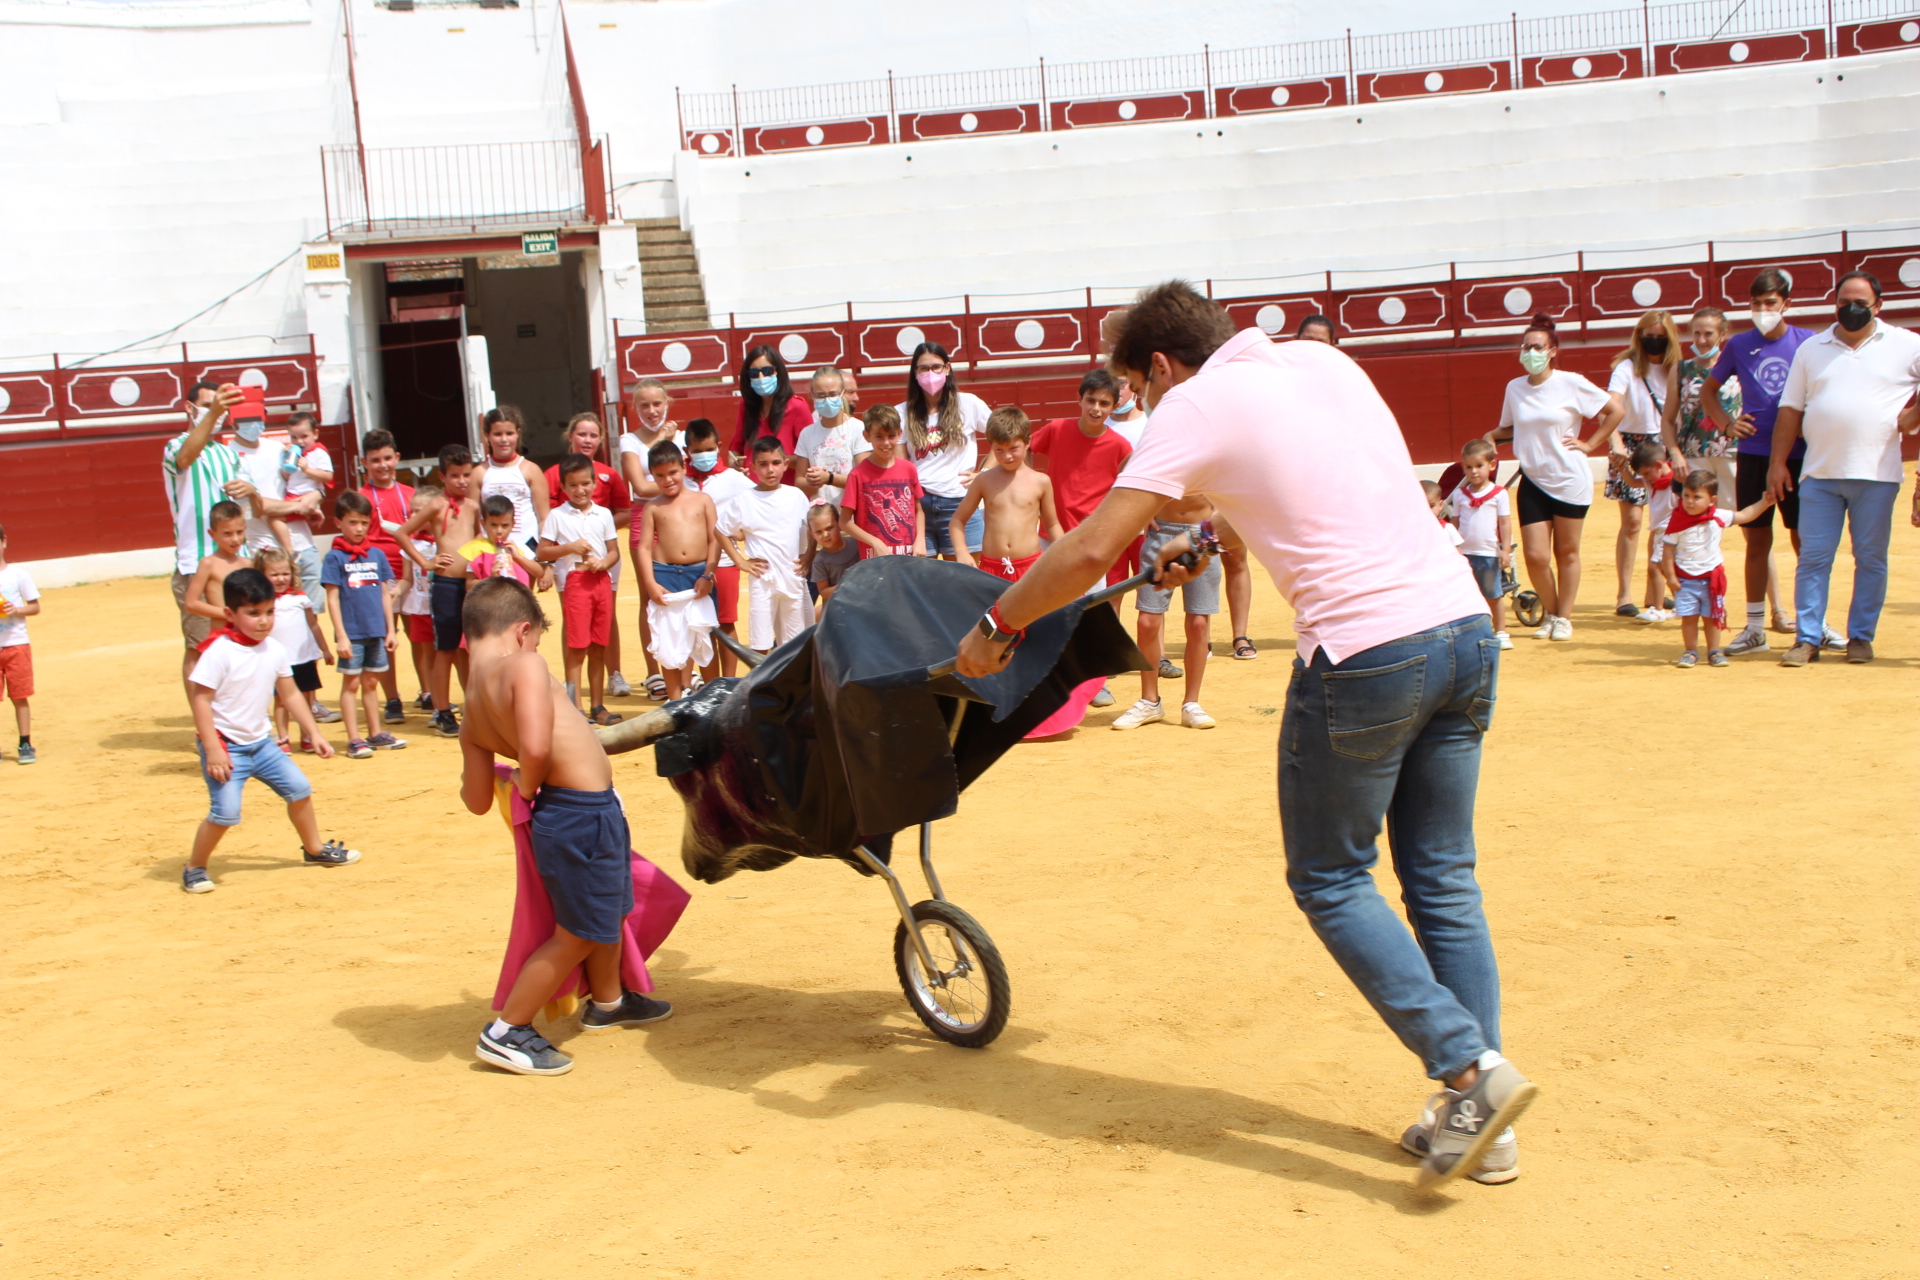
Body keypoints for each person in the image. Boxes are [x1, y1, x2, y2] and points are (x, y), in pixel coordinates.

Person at [955, 282, 1533, 1191]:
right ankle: (1483, 1122)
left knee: (1332, 879)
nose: (1144, 406)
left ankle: (1469, 1070)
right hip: (1460, 627)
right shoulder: (1319, 361)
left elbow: (1091, 549)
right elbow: (1309, 479)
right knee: (1442, 878)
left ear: (1159, 366)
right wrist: (1213, 525)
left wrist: (999, 624)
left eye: (1138, 390)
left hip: (1365, 652)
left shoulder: (1194, 402)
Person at [459, 576, 671, 1076]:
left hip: (577, 814)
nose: (535, 650)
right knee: (577, 931)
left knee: (607, 911)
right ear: (522, 630)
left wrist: (515, 780)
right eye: (535, 641)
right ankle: (507, 1030)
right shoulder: (524, 665)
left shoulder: (471, 706)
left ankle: (609, 1001)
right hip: (580, 814)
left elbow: (475, 800)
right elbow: (535, 747)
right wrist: (528, 783)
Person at [1770, 270, 1920, 667]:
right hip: (1819, 473)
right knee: (1813, 559)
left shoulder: (1906, 344)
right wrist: (1777, 463)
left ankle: (1861, 637)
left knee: (1870, 559)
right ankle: (1807, 638)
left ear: (1878, 306)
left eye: (1860, 303)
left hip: (1877, 473)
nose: (1850, 309)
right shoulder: (1812, 348)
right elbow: (1790, 409)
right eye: (1843, 302)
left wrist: (1913, 416)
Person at [182, 567, 359, 894]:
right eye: (253, 613)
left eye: (269, 612)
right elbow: (200, 701)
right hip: (226, 746)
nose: (263, 621)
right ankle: (195, 866)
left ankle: (314, 848)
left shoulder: (274, 649)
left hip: (261, 744)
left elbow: (290, 694)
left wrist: (314, 733)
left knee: (300, 789)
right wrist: (214, 749)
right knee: (226, 813)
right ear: (229, 614)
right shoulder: (219, 651)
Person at [1704, 268, 1841, 657]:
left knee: (1805, 541)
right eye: (1756, 303)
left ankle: (1814, 624)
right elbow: (1710, 391)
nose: (1763, 310)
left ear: (1786, 304)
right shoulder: (1738, 345)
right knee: (1757, 540)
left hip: (1800, 455)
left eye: (1770, 303)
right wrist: (1727, 423)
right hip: (1754, 454)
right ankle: (1754, 628)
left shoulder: (1808, 342)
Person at [1480, 313, 1625, 642]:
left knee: (1567, 552)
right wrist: (1491, 436)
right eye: (1526, 346)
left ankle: (1564, 617)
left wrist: (1590, 444)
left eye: (1537, 347)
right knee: (1536, 556)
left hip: (1569, 479)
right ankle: (1553, 612)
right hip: (1533, 478)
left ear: (1552, 351)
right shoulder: (1515, 388)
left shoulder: (1571, 382)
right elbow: (1512, 428)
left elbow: (1615, 411)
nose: (1530, 352)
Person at [1030, 369, 1135, 708]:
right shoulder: (1057, 429)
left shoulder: (1120, 445)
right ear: (1079, 399)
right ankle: (1051, 677)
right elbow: (1023, 449)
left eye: (1104, 403)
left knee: (1093, 612)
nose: (1096, 408)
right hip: (1051, 535)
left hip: (1093, 541)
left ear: (1114, 406)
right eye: (1091, 400)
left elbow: (1130, 485)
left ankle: (1094, 683)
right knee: (1045, 607)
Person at [1111, 488, 1223, 732]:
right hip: (1161, 532)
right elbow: (1128, 473)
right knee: (1147, 621)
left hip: (1203, 533)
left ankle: (1192, 703)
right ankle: (1149, 701)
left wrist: (1219, 515)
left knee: (1199, 623)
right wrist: (1141, 510)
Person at [395, 443, 480, 738]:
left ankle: (473, 707)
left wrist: (481, 565)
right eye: (455, 475)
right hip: (444, 584)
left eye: (466, 474)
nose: (462, 481)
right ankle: (442, 711)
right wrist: (425, 562)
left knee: (467, 649)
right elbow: (402, 533)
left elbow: (480, 537)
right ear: (442, 477)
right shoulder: (436, 505)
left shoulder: (474, 506)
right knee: (444, 649)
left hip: (470, 584)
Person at [546, 413, 633, 698]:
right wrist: (569, 544)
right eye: (581, 434)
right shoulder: (553, 475)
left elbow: (624, 512)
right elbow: (546, 518)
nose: (587, 440)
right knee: (573, 620)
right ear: (570, 436)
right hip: (569, 564)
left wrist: (599, 537)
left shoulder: (609, 475)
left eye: (593, 435)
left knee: (605, 619)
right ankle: (571, 685)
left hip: (603, 559)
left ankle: (613, 675)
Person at [164, 382, 245, 683]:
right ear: (189, 407)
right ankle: (203, 713)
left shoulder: (228, 454)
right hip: (195, 562)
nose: (218, 412)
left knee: (242, 641)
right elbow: (185, 459)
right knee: (199, 647)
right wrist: (214, 414)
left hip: (235, 562)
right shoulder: (175, 446)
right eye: (209, 405)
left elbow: (252, 505)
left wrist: (251, 491)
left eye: (221, 406)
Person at [1605, 311, 1681, 618]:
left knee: (1663, 521)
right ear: (1639, 336)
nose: (1655, 342)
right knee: (1633, 522)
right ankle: (1624, 593)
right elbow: (1610, 406)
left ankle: (1654, 592)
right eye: (1650, 336)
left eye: (1661, 337)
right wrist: (1616, 443)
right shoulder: (1627, 367)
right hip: (1631, 446)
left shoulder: (1676, 367)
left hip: (1665, 443)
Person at [1659, 471, 1776, 668]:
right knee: (1689, 619)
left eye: (1697, 497)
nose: (1690, 501)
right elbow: (1668, 551)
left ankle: (1714, 651)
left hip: (1711, 581)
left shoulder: (1718, 516)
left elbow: (1745, 515)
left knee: (1712, 618)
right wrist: (1670, 576)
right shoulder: (1677, 519)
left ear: (1712, 500)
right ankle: (1691, 651)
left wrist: (1764, 503)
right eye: (1686, 495)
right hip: (1685, 581)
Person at [539, 454, 623, 722]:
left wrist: (604, 563)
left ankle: (597, 706)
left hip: (601, 580)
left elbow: (614, 551)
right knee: (577, 647)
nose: (580, 490)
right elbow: (542, 551)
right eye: (573, 485)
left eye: (585, 483)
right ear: (563, 487)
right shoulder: (557, 515)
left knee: (599, 644)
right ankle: (576, 707)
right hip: (575, 582)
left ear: (595, 483)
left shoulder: (604, 514)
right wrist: (570, 548)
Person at [322, 491, 405, 759]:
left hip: (376, 631)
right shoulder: (335, 558)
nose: (359, 528)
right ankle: (354, 739)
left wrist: (390, 630)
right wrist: (342, 636)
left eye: (364, 523)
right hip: (353, 633)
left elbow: (384, 594)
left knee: (371, 682)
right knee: (352, 684)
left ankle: (375, 733)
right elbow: (332, 598)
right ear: (339, 523)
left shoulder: (377, 555)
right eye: (352, 522)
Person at [637, 441, 721, 700]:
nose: (668, 480)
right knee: (669, 641)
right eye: (659, 475)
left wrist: (708, 574)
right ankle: (675, 705)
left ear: (684, 467)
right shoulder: (652, 507)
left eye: (672, 472)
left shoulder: (703, 500)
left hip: (699, 575)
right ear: (653, 477)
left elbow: (715, 540)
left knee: (705, 637)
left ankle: (713, 700)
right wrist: (650, 584)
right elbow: (644, 548)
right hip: (665, 576)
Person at [719, 436, 816, 654]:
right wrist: (740, 562)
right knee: (760, 642)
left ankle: (789, 677)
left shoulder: (796, 496)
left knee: (794, 642)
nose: (770, 470)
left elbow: (811, 528)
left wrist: (809, 555)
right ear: (753, 467)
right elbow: (721, 530)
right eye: (763, 464)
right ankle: (760, 676)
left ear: (785, 464)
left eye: (775, 463)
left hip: (792, 575)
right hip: (762, 579)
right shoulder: (745, 499)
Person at [899, 342, 991, 559]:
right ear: (915, 373)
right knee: (925, 576)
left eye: (936, 367)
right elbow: (901, 466)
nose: (930, 374)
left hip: (960, 501)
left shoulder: (968, 404)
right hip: (919, 504)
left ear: (947, 368)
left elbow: (1003, 436)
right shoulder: (902, 412)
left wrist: (984, 473)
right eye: (924, 368)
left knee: (965, 575)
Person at [951, 407, 1064, 581]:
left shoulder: (1041, 481)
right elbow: (957, 520)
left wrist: (1065, 552)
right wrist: (962, 552)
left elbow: (1052, 524)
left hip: (1030, 567)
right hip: (991, 568)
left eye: (1013, 448)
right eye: (999, 450)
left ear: (1027, 442)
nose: (1007, 456)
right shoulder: (983, 481)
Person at [679, 418, 754, 678]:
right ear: (686, 451)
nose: (704, 455)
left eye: (709, 449)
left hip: (725, 563)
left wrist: (740, 533)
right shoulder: (681, 482)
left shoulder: (735, 479)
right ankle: (707, 684)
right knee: (698, 625)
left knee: (726, 621)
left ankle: (729, 682)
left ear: (719, 447)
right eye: (697, 451)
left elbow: (758, 502)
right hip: (692, 566)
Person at [356, 428, 416, 724]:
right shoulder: (361, 498)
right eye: (375, 460)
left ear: (397, 458)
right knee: (385, 639)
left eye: (388, 458)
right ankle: (392, 698)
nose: (383, 465)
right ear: (364, 463)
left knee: (420, 637)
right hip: (379, 577)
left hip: (412, 573)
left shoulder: (411, 495)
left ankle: (428, 692)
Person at [1660, 308, 1741, 509]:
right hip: (1693, 454)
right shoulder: (1681, 369)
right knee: (1696, 515)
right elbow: (1668, 419)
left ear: (1723, 334)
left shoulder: (1738, 366)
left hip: (1732, 453)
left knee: (1735, 513)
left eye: (1708, 333)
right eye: (1697, 333)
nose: (1701, 340)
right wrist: (1675, 454)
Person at [255, 547, 332, 754]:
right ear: (262, 575)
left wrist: (325, 649)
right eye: (274, 574)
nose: (281, 578)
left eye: (285, 573)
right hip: (278, 661)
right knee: (281, 700)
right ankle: (283, 738)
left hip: (303, 657)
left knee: (306, 698)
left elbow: (313, 625)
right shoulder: (264, 603)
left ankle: (307, 737)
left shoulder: (301, 598)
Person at [840, 404, 925, 558]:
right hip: (875, 560)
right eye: (879, 436)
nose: (886, 443)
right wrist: (875, 542)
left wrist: (920, 540)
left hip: (909, 557)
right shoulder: (858, 474)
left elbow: (918, 510)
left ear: (900, 434)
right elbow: (844, 522)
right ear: (867, 436)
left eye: (891, 436)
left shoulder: (909, 469)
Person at [1451, 439, 1513, 649]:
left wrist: (1505, 550)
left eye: (1479, 465)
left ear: (1491, 465)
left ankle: (1501, 631)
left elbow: (1505, 523)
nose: (1474, 471)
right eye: (1468, 467)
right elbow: (1455, 523)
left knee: (1493, 594)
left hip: (1488, 552)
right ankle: (1471, 633)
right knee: (1466, 595)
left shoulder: (1500, 493)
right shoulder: (1460, 494)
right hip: (1464, 553)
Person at [180, 501, 253, 677]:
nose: (235, 539)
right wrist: (227, 614)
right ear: (212, 534)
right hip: (221, 636)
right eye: (227, 534)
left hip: (247, 634)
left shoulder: (248, 564)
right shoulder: (208, 564)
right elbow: (191, 603)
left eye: (239, 532)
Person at [277, 411, 333, 613]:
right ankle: (290, 549)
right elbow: (287, 476)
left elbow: (328, 476)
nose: (299, 441)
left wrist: (307, 469)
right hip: (294, 495)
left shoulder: (319, 452)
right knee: (277, 517)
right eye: (294, 437)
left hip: (304, 496)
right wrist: (287, 462)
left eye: (304, 436)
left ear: (315, 434)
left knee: (276, 516)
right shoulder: (295, 452)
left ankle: (289, 551)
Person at [795, 365, 869, 510]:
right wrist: (813, 481)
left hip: (852, 515)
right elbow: (799, 481)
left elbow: (864, 479)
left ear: (842, 393)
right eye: (820, 395)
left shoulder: (858, 429)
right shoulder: (807, 433)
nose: (827, 400)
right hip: (820, 517)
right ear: (812, 396)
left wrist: (829, 478)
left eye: (833, 394)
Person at [478, 405, 549, 554]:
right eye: (498, 434)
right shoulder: (479, 473)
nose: (504, 439)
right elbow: (472, 520)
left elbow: (544, 518)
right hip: (490, 551)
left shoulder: (531, 470)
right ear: (487, 435)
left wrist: (545, 555)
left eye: (509, 433)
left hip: (527, 550)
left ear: (518, 433)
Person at [397, 485, 441, 711]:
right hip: (421, 608)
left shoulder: (447, 541)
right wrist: (394, 592)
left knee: (454, 655)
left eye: (418, 511)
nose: (413, 516)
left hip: (443, 606)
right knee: (428, 657)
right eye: (411, 511)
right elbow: (407, 578)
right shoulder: (411, 545)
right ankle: (435, 702)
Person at [0, 524, 41, 765]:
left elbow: (35, 607)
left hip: (16, 644)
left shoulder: (19, 575)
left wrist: (16, 610)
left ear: (4, 541)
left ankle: (25, 742)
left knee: (20, 696)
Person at [733, 346, 813, 465]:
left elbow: (812, 455)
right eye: (754, 373)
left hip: (785, 477)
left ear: (778, 371)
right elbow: (735, 449)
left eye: (767, 371)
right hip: (751, 477)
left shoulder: (797, 406)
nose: (761, 378)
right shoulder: (746, 406)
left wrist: (775, 461)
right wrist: (735, 463)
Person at [806, 505, 858, 609]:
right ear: (812, 534)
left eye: (829, 528)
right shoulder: (820, 561)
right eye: (818, 532)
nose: (825, 535)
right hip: (839, 609)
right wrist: (847, 585)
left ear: (839, 524)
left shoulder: (856, 544)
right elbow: (824, 592)